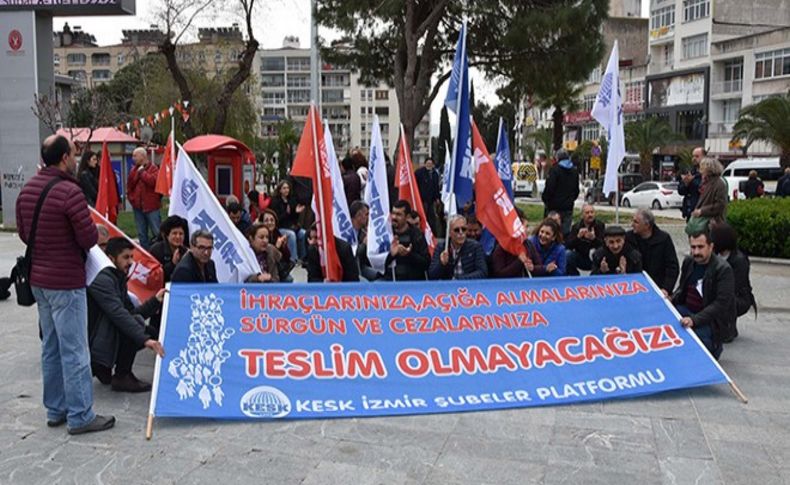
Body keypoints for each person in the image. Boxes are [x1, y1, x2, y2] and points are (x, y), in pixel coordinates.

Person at [16, 134, 113, 434]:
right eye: (72, 152)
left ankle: (55, 409)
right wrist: (99, 234)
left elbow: (23, 233)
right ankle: (81, 415)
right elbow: (86, 238)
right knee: (75, 350)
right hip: (66, 282)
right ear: (63, 158)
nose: (75, 157)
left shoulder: (28, 188)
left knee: (51, 347)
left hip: (39, 281)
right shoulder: (70, 192)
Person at [87, 237, 165, 392]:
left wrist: (156, 300)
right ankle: (120, 375)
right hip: (91, 340)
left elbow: (131, 311)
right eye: (125, 257)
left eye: (131, 257)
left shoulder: (118, 277)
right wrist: (144, 340)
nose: (130, 262)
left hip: (103, 335)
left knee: (148, 331)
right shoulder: (103, 279)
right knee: (134, 325)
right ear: (111, 258)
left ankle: (105, 367)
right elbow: (118, 313)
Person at [672, 232, 735, 360]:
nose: (696, 252)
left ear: (710, 247)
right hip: (687, 310)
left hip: (710, 321)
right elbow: (682, 290)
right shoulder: (689, 262)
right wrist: (669, 300)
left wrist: (694, 320)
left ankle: (714, 347)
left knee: (699, 353)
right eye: (693, 247)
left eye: (700, 247)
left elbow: (721, 305)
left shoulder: (723, 269)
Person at [710, 223, 756, 342]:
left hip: (738, 297)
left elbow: (735, 286)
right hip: (720, 291)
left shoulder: (739, 260)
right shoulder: (714, 255)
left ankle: (728, 328)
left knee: (723, 298)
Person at [627, 209, 679, 296]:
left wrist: (666, 289)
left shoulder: (664, 239)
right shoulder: (629, 238)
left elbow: (672, 267)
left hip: (657, 287)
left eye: (636, 222)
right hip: (634, 288)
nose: (632, 225)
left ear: (647, 225)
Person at [428, 215, 488, 280]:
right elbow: (431, 275)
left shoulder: (475, 247)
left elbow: (482, 272)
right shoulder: (441, 247)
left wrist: (459, 279)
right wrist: (441, 264)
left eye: (464, 229)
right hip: (448, 288)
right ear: (449, 232)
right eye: (457, 230)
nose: (461, 233)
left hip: (469, 287)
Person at [383, 200, 430, 281]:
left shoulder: (416, 234)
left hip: (412, 282)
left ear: (407, 217)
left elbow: (426, 263)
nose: (394, 217)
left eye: (398, 215)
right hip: (389, 281)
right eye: (393, 213)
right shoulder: (386, 233)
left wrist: (408, 254)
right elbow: (377, 263)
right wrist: (392, 255)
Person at [127, 147, 161, 250]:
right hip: (138, 207)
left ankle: (160, 252)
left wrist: (142, 173)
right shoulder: (133, 170)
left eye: (135, 155)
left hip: (151, 206)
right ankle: (145, 254)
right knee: (142, 234)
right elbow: (130, 185)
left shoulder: (154, 169)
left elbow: (153, 182)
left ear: (143, 156)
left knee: (157, 231)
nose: (133, 158)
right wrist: (132, 199)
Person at [541, 148, 579, 237]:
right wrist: (570, 200)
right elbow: (576, 190)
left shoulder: (555, 170)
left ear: (557, 158)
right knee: (565, 234)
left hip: (553, 207)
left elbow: (549, 188)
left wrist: (546, 200)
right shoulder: (574, 171)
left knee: (550, 231)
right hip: (568, 208)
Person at [270, 180, 306, 263]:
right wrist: (286, 213)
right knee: (291, 235)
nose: (286, 190)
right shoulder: (275, 202)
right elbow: (277, 218)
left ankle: (303, 257)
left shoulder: (291, 200)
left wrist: (296, 213)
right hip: (281, 227)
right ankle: (293, 259)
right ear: (280, 190)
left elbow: (293, 218)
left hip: (291, 226)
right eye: (284, 188)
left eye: (287, 188)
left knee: (303, 233)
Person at [565, 204, 605, 275]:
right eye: (587, 213)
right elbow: (568, 245)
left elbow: (605, 245)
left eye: (592, 212)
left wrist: (594, 239)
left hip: (596, 258)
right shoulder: (576, 227)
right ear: (582, 215)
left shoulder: (600, 225)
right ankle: (574, 277)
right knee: (567, 254)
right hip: (582, 257)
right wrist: (578, 237)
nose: (590, 215)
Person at [148, 216, 190, 283]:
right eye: (174, 233)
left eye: (181, 234)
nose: (178, 237)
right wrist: (172, 264)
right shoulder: (156, 250)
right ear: (167, 235)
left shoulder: (187, 251)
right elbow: (154, 277)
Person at [259, 209, 294, 282]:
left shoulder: (277, 234)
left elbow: (287, 258)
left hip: (278, 269)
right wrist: (276, 247)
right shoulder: (259, 235)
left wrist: (284, 246)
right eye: (266, 220)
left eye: (272, 220)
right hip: (264, 269)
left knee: (289, 279)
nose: (269, 223)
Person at [692, 157, 728, 226]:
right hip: (703, 222)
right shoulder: (705, 182)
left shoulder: (719, 183)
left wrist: (702, 211)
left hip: (713, 223)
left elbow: (720, 205)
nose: (700, 171)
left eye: (702, 168)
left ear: (708, 169)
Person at [415, 157, 441, 233]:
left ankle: (432, 232)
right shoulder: (419, 173)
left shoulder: (435, 174)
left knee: (431, 217)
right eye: (428, 163)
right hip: (423, 198)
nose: (429, 165)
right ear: (425, 164)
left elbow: (436, 187)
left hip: (431, 199)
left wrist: (437, 198)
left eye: (430, 164)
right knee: (423, 215)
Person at [677, 147, 704, 221]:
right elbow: (680, 191)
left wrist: (692, 181)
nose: (694, 158)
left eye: (697, 156)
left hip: (702, 211)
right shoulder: (690, 172)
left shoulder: (706, 173)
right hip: (689, 211)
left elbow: (703, 188)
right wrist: (686, 183)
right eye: (693, 156)